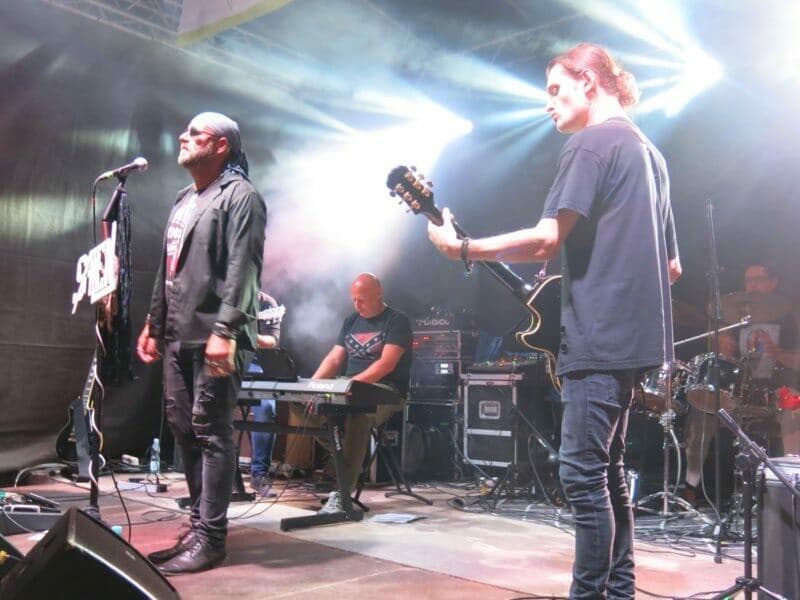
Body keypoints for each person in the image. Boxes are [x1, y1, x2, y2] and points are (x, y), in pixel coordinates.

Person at [428, 43, 680, 599]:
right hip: (636, 343)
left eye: (555, 89)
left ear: (588, 81)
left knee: (581, 476)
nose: (548, 104)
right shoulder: (650, 154)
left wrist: (462, 249)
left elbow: (546, 238)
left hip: (599, 337)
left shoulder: (591, 144)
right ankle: (619, 592)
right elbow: (671, 268)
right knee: (606, 472)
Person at [136, 111, 266, 574]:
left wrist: (225, 330)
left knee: (211, 430)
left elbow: (243, 268)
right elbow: (167, 267)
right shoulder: (184, 198)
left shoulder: (242, 196)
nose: (183, 137)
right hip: (178, 331)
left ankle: (212, 539)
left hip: (215, 333)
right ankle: (197, 528)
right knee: (184, 429)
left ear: (221, 145)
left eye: (195, 133)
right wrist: (154, 322)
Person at [292, 273, 412, 513]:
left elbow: (386, 365)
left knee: (359, 415)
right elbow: (334, 359)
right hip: (349, 386)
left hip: (386, 391)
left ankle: (342, 493)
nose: (357, 305)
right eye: (354, 300)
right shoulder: (351, 321)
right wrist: (311, 387)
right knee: (297, 401)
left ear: (379, 293)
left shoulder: (397, 321)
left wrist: (350, 385)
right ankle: (345, 450)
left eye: (362, 300)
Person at [683, 262, 799, 499]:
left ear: (773, 282)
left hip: (778, 392)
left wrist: (778, 353)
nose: (752, 286)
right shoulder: (736, 319)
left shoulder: (790, 316)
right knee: (700, 413)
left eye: (758, 280)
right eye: (748, 280)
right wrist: (721, 344)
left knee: (794, 412)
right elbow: (723, 362)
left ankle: (792, 490)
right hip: (738, 393)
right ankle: (690, 488)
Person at [247, 291, 282, 496]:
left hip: (252, 364)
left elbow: (272, 341)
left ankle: (259, 474)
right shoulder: (219, 294)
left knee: (267, 408)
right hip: (218, 359)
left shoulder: (266, 303)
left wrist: (246, 335)